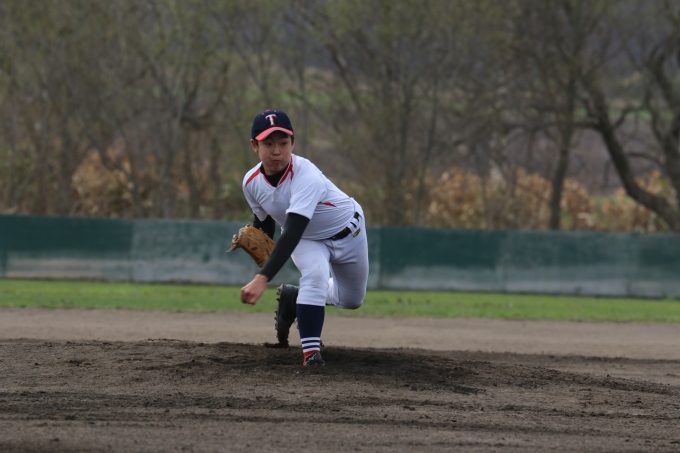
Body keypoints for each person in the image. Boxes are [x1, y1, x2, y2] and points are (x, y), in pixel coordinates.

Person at [239, 109, 369, 367]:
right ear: (255, 146)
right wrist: (262, 244)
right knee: (315, 276)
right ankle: (311, 354)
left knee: (351, 300)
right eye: (268, 144)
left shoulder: (306, 175)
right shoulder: (251, 183)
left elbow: (293, 229)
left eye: (283, 143)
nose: (277, 151)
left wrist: (263, 277)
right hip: (308, 240)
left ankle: (296, 297)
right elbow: (264, 222)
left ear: (293, 143)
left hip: (349, 231)